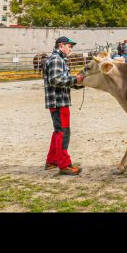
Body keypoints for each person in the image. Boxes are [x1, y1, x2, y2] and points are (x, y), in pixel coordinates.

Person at [43, 36, 85, 175]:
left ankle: (52, 161)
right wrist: (75, 79)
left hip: (58, 101)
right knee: (63, 132)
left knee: (58, 132)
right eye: (69, 46)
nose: (70, 49)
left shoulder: (58, 59)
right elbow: (55, 80)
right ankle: (64, 165)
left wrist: (78, 83)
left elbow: (63, 80)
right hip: (59, 102)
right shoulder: (56, 59)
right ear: (61, 45)